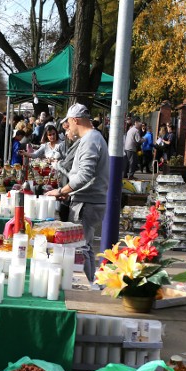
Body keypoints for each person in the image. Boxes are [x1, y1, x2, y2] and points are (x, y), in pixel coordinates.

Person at [45, 103, 109, 283]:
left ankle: (90, 287)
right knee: (84, 246)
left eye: (69, 123)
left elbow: (84, 175)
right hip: (86, 200)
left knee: (81, 247)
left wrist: (61, 190)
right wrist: (69, 193)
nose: (68, 128)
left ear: (75, 120)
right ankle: (91, 284)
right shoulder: (92, 138)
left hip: (87, 203)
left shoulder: (90, 140)